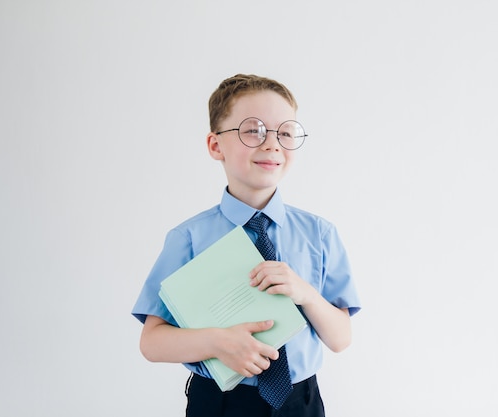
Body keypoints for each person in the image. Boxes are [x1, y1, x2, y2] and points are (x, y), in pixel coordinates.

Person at [132, 73, 361, 417]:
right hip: (221, 401)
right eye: (253, 130)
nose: (272, 144)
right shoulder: (188, 238)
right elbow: (151, 342)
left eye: (285, 132)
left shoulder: (320, 234)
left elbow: (341, 338)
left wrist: (304, 292)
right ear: (215, 145)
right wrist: (217, 342)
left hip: (300, 401)